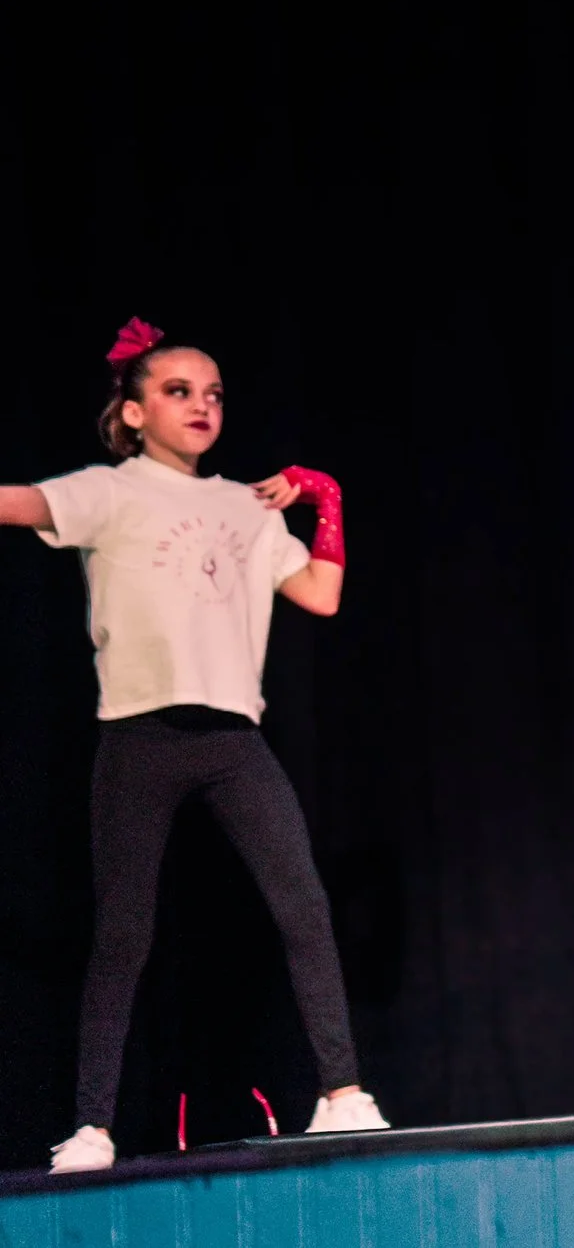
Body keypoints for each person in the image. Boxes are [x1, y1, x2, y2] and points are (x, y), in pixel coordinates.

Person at [0, 320, 386, 1173]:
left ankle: (343, 1093)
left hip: (233, 740)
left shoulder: (247, 506)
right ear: (135, 412)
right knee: (123, 934)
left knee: (303, 906)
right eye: (178, 392)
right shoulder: (111, 491)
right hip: (139, 738)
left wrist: (325, 497)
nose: (201, 406)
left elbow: (320, 594)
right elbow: (13, 503)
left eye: (213, 393)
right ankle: (92, 1126)